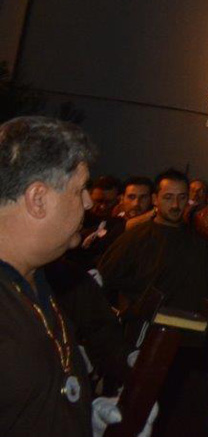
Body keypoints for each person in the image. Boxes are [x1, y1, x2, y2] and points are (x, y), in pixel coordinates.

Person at [0, 116, 153, 437]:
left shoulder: (38, 278)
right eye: (80, 189)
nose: (88, 202)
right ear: (38, 199)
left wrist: (80, 418)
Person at [98, 168, 208, 437]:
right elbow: (104, 279)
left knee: (187, 417)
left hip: (192, 343)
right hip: (150, 342)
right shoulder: (135, 238)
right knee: (142, 415)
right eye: (168, 197)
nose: (175, 205)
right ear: (155, 199)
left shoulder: (197, 239)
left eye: (182, 197)